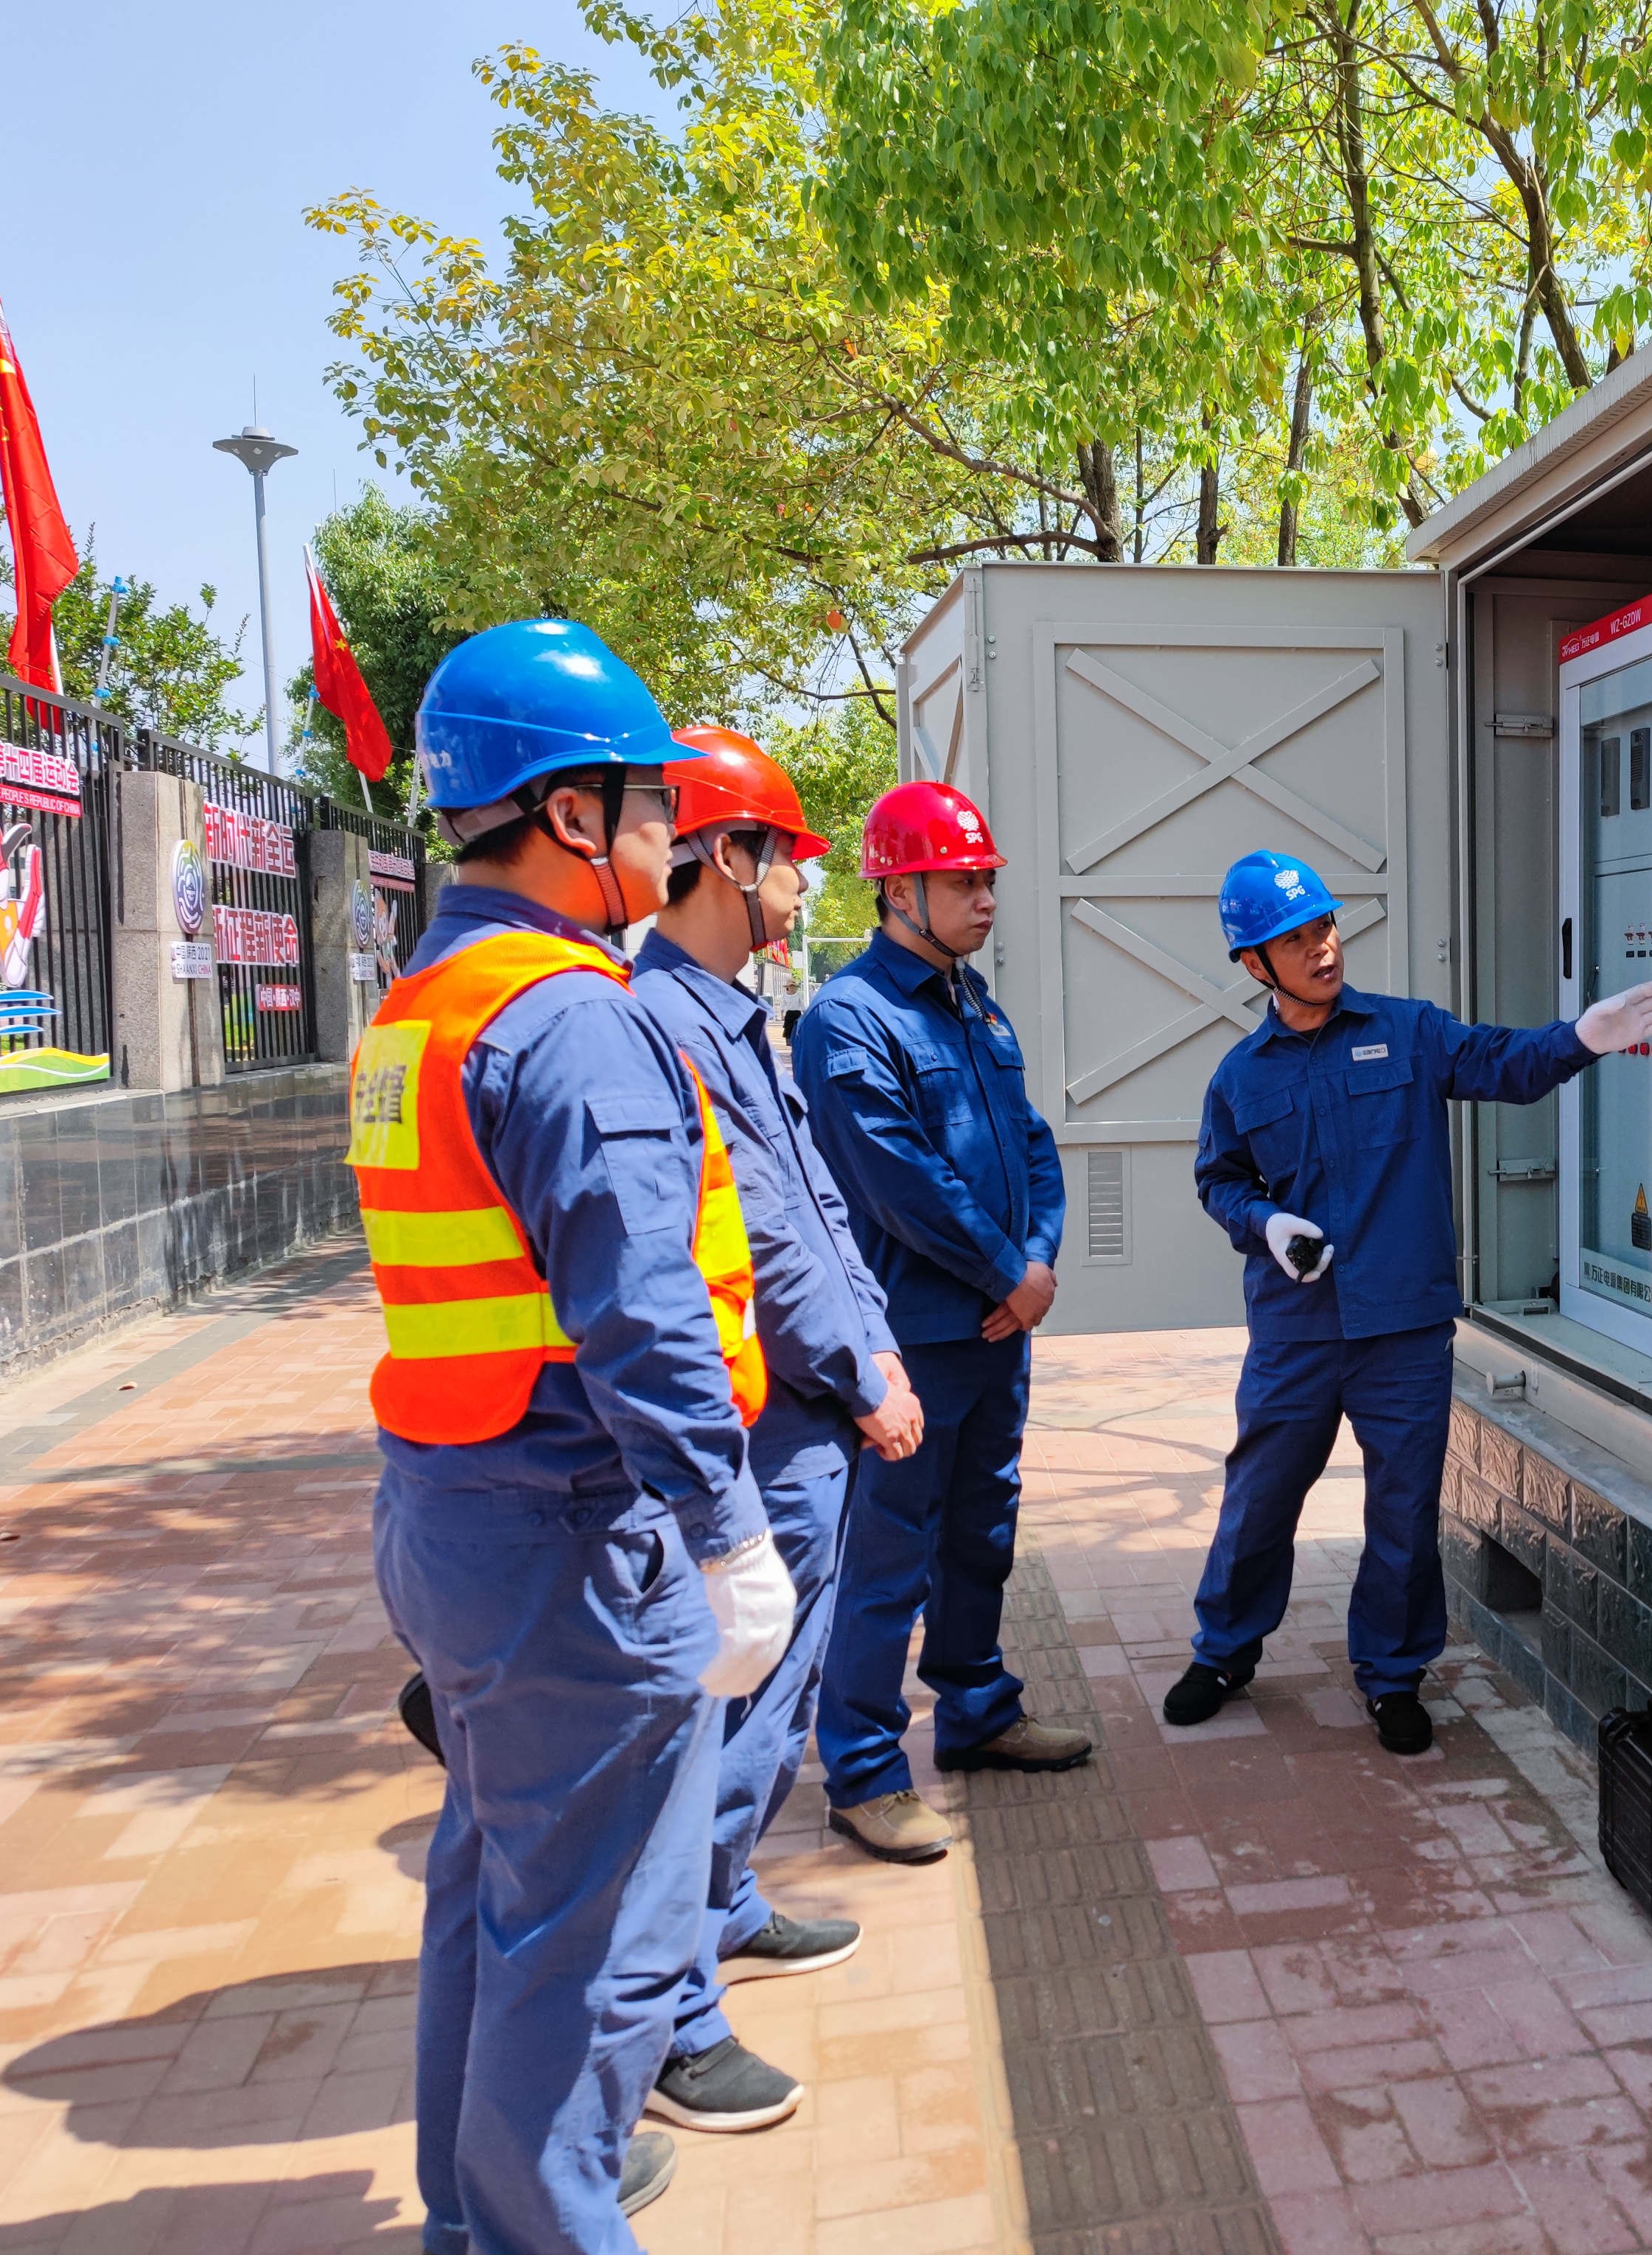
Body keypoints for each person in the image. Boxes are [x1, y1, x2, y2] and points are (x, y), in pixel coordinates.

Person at [350, 619, 796, 2251]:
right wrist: (734, 1535)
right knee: (600, 1946)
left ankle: (479, 2227)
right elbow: (643, 1307)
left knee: (496, 1899)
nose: (674, 841)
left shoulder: (424, 1004)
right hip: (571, 1534)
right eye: (654, 807)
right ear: (570, 817)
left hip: (453, 1515)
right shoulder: (569, 1016)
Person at [1166, 850, 1652, 1754]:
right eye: (1296, 939)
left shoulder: (1408, 1032)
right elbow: (1219, 1180)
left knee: (1403, 1509)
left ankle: (1393, 1675)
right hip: (1297, 1331)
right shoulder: (1241, 1077)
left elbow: (1506, 1064)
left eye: (1325, 927)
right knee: (1260, 1497)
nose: (1322, 949)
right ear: (1255, 964)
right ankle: (1224, 1652)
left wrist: (1582, 1037)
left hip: (1402, 1327)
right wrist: (1266, 1222)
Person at [628, 727, 926, 2135]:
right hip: (770, 1428)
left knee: (781, 1694)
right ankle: (679, 2013)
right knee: (731, 1715)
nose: (801, 886)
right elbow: (759, 1242)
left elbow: (817, 1213)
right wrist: (864, 1372)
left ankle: (732, 1904)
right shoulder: (667, 1024)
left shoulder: (739, 1015)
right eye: (785, 857)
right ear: (720, 858)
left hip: (816, 1408)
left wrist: (872, 1346)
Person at [794, 779, 1088, 1864]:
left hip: (997, 1331)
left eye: (987, 878)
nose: (984, 896)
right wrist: (1009, 1270)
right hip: (915, 1338)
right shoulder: (848, 1020)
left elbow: (1033, 1143)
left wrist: (1038, 1260)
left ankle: (975, 1711)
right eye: (963, 879)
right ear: (898, 887)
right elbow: (897, 1181)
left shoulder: (974, 1005)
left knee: (982, 1535)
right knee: (888, 1556)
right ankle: (865, 1773)